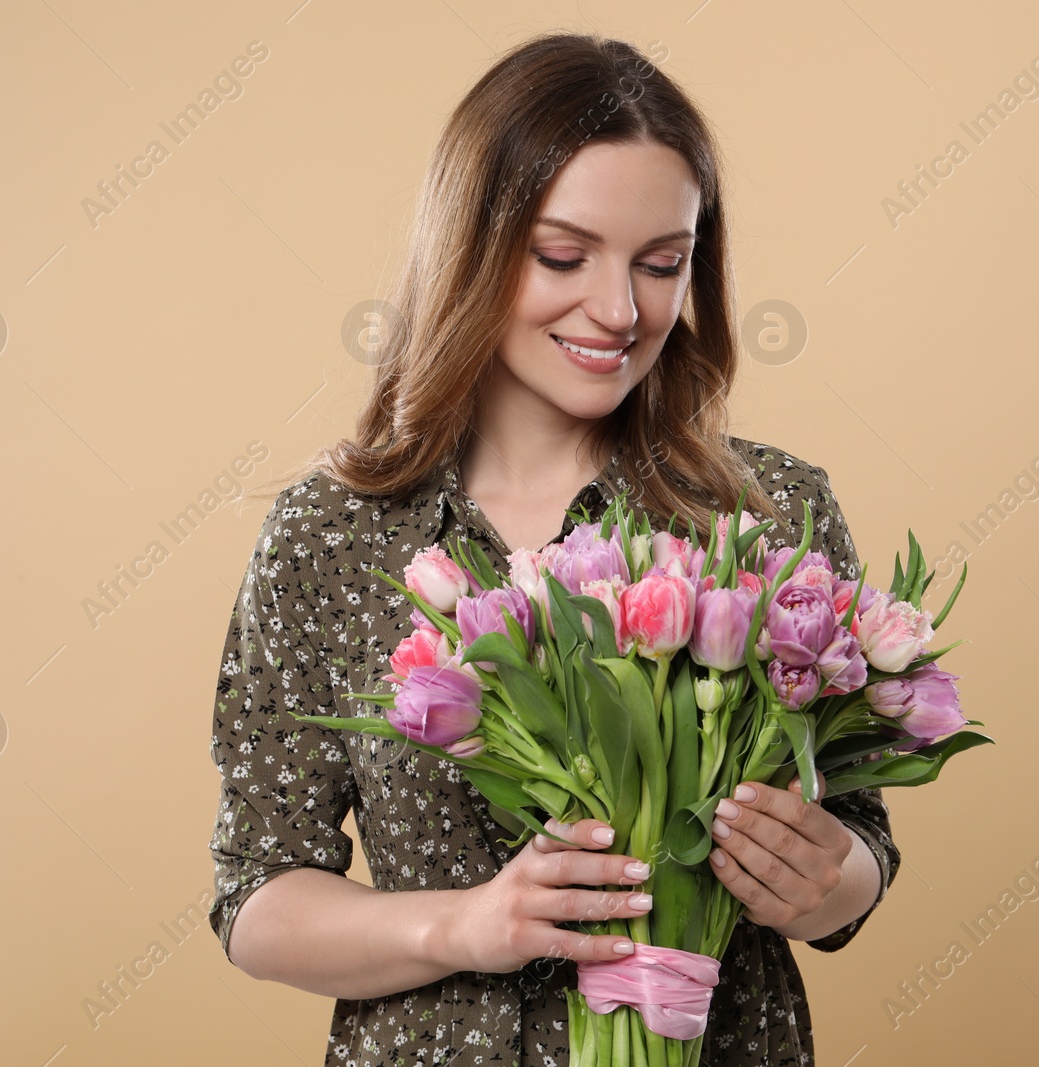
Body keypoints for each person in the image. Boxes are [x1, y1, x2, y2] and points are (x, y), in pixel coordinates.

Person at [206, 31, 900, 1067]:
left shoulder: (766, 513)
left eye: (662, 264)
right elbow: (258, 892)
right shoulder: (328, 535)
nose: (620, 311)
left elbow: (860, 846)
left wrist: (825, 874)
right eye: (563, 257)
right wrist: (466, 923)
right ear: (471, 248)